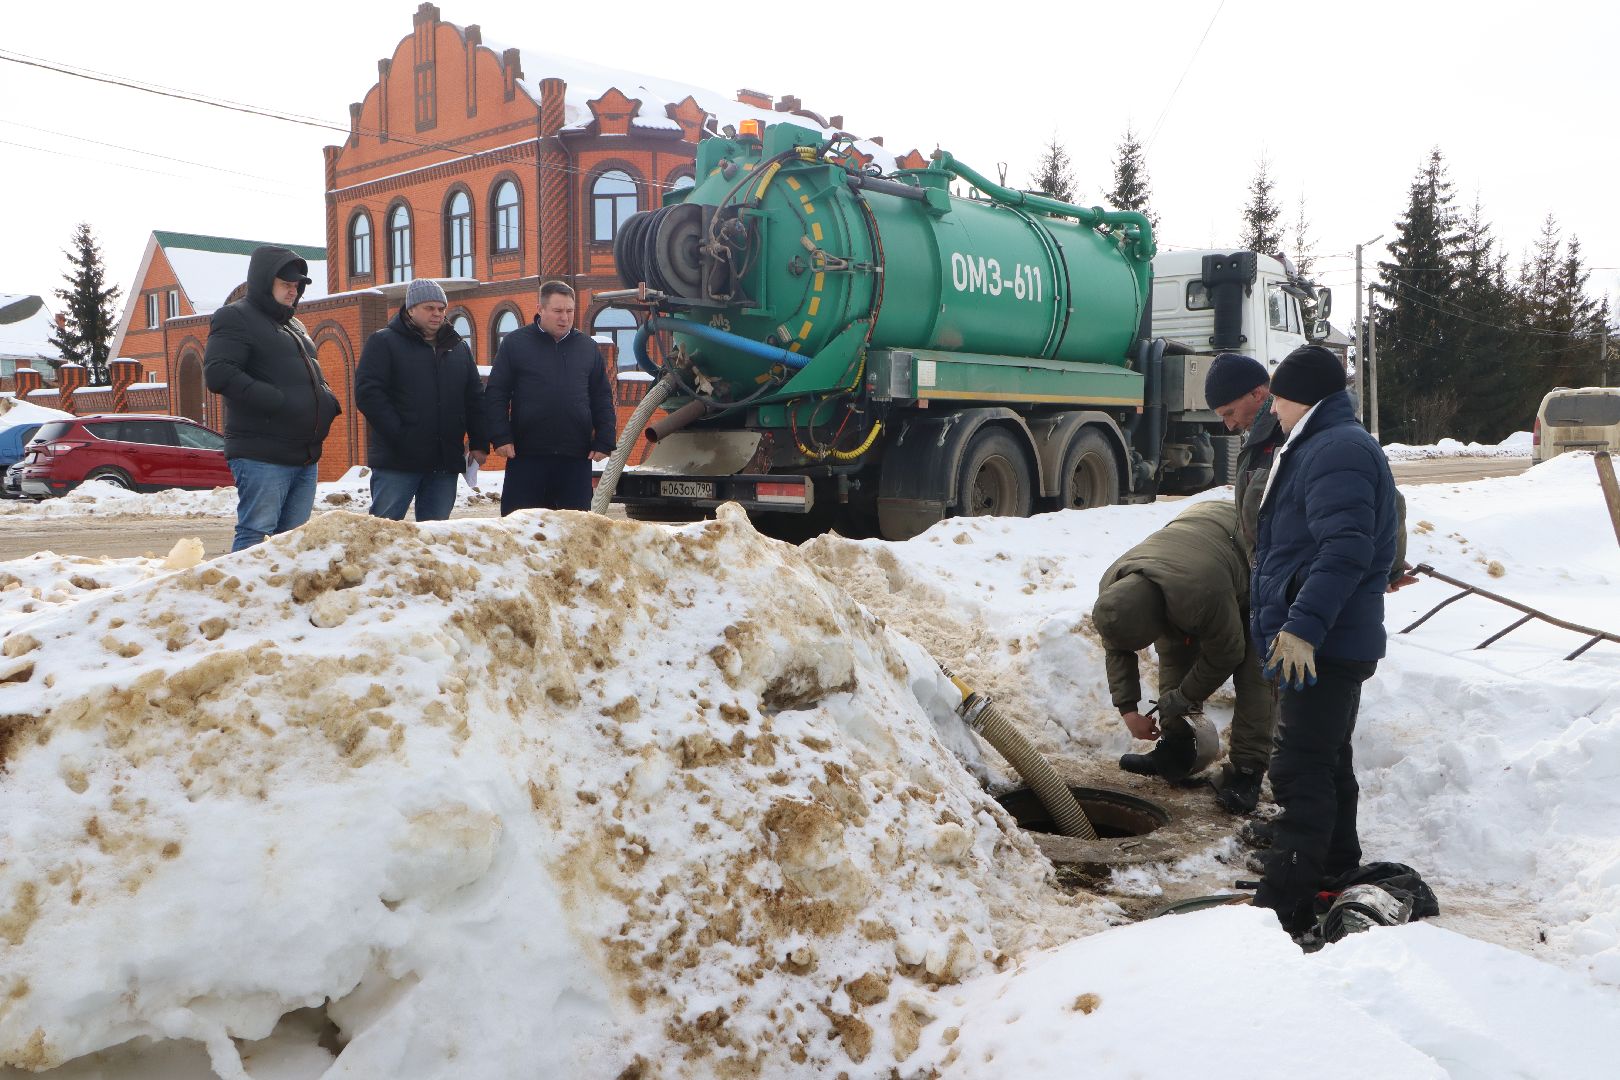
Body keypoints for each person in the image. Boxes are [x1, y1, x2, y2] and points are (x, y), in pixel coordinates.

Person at [1247, 344, 1400, 936]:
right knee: (1328, 760)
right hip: (1329, 639)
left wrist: (1301, 629)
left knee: (1299, 770)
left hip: (1324, 643)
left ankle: (1283, 905)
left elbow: (1346, 549)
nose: (1274, 410)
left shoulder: (1335, 447)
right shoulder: (1323, 442)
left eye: (1279, 398)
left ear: (1299, 396)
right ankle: (1334, 868)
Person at [1092, 499, 1272, 799]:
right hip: (1195, 548)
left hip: (1254, 554)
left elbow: (1228, 653)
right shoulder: (1115, 588)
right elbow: (1116, 648)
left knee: (1255, 671)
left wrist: (1185, 697)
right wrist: (1128, 710)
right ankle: (1177, 748)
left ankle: (1248, 772)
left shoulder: (1202, 593)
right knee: (1174, 651)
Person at [204, 246, 341, 552]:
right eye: (286, 285)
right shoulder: (235, 317)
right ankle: (243, 598)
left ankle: (277, 599)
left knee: (291, 539)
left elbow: (309, 375)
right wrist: (276, 400)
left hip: (303, 453)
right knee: (257, 533)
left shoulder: (294, 325)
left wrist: (327, 400)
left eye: (297, 286)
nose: (293, 292)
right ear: (265, 281)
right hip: (261, 453)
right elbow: (219, 373)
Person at [354, 279, 489, 521]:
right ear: (411, 308)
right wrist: (401, 434)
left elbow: (475, 398)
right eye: (429, 308)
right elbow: (369, 395)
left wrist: (479, 442)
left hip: (444, 460)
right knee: (382, 531)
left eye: (441, 308)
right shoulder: (384, 342)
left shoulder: (458, 348)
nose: (437, 314)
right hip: (398, 460)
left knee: (435, 540)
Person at [484, 280, 616, 515]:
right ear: (540, 309)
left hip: (575, 457)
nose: (564, 318)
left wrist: (605, 438)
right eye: (557, 311)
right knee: (522, 530)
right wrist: (500, 436)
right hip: (526, 455)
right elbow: (497, 393)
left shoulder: (586, 347)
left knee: (574, 532)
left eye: (569, 311)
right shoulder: (515, 344)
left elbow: (601, 396)